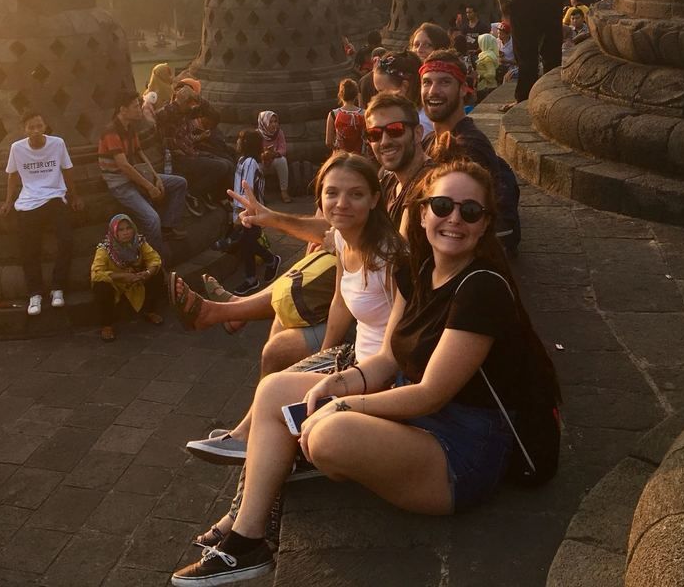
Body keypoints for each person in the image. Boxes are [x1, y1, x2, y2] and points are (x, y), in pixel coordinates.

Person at [170, 159, 558, 585]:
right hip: (416, 417)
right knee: (275, 388)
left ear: (485, 225)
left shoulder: (481, 289)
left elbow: (431, 393)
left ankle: (310, 460)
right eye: (443, 205)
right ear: (424, 211)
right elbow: (390, 358)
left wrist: (343, 404)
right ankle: (248, 538)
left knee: (326, 435)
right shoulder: (422, 272)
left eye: (470, 211)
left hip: (461, 449)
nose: (454, 219)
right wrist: (339, 380)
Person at [174, 154, 403, 519]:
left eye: (356, 194)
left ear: (375, 199)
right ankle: (243, 449)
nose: (341, 203)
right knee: (275, 390)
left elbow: (399, 345)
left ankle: (238, 522)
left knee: (275, 422)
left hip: (380, 374)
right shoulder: (345, 239)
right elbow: (341, 302)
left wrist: (340, 375)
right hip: (355, 357)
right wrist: (325, 358)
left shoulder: (390, 257)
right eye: (332, 193)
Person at [419, 51, 520, 249]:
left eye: (445, 82)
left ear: (463, 88)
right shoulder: (431, 140)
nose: (433, 91)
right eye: (427, 82)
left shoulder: (469, 147)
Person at [0, 110, 83, 314]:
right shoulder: (17, 148)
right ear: (24, 130)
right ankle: (34, 294)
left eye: (39, 126)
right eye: (31, 127)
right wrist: (8, 201)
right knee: (28, 247)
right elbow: (12, 176)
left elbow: (67, 170)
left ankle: (58, 288)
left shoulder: (57, 144)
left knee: (66, 240)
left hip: (55, 197)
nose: (36, 131)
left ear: (45, 126)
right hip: (29, 201)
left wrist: (74, 196)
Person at [98, 91, 188, 258]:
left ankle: (168, 227)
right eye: (135, 106)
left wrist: (155, 178)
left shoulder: (130, 128)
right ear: (123, 110)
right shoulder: (111, 132)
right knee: (152, 219)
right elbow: (124, 166)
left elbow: (140, 153)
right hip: (120, 183)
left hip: (138, 175)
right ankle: (155, 258)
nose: (139, 109)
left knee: (179, 183)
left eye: (139, 105)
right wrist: (149, 186)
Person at [218, 130, 282, 296]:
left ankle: (252, 279)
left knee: (247, 245)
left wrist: (242, 212)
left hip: (250, 211)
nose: (238, 142)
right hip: (243, 211)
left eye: (241, 139)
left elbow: (248, 189)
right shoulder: (243, 160)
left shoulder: (250, 163)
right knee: (248, 244)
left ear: (247, 143)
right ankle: (270, 260)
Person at [156, 79, 235, 207]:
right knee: (221, 166)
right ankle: (193, 192)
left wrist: (198, 98)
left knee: (228, 163)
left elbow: (214, 116)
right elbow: (158, 118)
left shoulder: (187, 111)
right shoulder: (167, 112)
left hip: (191, 152)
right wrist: (178, 102)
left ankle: (221, 198)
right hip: (178, 158)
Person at [91, 214, 164, 342]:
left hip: (136, 280)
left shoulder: (139, 242)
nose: (126, 233)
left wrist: (147, 273)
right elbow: (97, 272)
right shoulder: (105, 249)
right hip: (116, 284)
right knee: (101, 286)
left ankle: (150, 311)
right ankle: (107, 325)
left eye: (128, 228)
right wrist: (122, 276)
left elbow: (155, 259)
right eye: (121, 230)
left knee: (158, 273)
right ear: (114, 232)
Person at [257, 111, 291, 204]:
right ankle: (258, 195)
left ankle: (284, 191)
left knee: (282, 161)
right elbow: (253, 153)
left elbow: (283, 149)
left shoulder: (279, 132)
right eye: (270, 122)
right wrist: (264, 155)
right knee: (254, 166)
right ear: (264, 123)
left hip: (273, 161)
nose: (274, 124)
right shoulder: (257, 135)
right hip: (261, 163)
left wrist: (273, 154)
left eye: (275, 121)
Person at [324, 78, 365, 154]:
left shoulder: (333, 114)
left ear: (340, 95)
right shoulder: (364, 114)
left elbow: (328, 142)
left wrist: (337, 150)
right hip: (358, 155)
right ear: (356, 95)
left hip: (340, 155)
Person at [475, 33, 500, 102]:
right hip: (487, 87)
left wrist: (480, 74)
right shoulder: (487, 54)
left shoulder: (487, 57)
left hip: (486, 87)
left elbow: (491, 74)